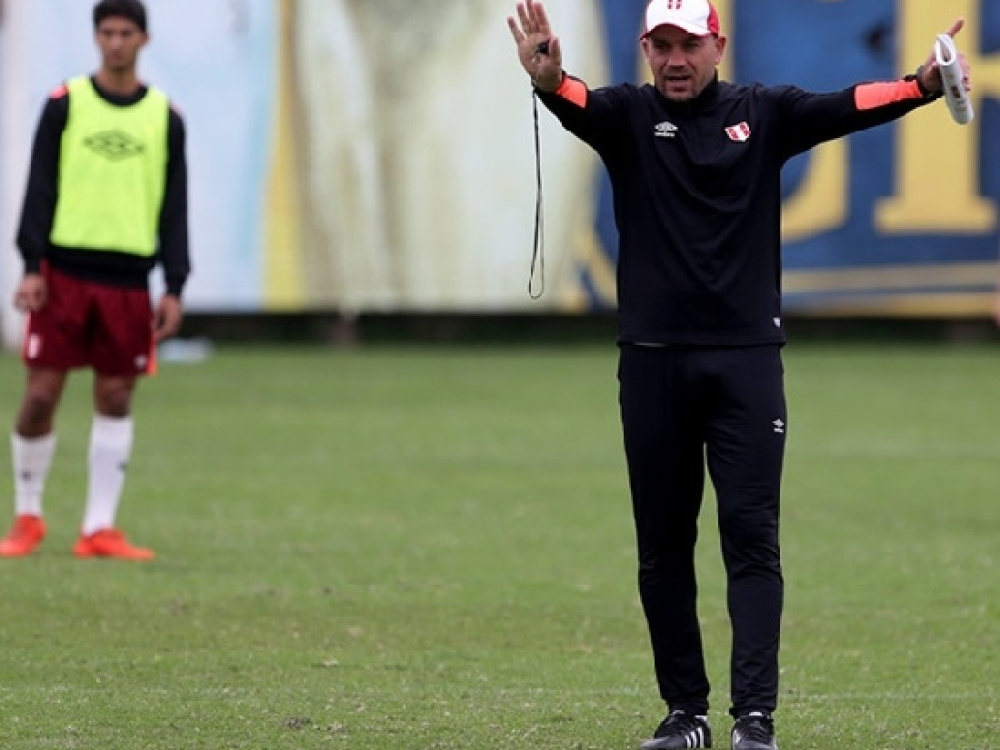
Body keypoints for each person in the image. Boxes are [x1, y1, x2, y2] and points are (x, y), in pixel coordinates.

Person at [507, 2, 971, 749]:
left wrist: (919, 85)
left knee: (752, 543)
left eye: (689, 44)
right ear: (645, 48)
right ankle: (684, 714)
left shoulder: (763, 113)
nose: (676, 59)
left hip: (746, 364)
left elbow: (846, 105)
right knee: (663, 547)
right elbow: (575, 99)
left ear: (717, 45)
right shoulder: (628, 118)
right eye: (662, 45)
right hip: (653, 364)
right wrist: (548, 78)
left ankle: (755, 720)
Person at [0, 0, 190, 561]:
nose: (116, 42)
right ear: (95, 38)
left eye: (126, 33)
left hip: (128, 279)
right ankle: (27, 516)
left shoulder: (164, 117)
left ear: (143, 39)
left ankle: (99, 527)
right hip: (64, 274)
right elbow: (40, 188)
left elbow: (174, 207)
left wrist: (174, 284)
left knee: (115, 394)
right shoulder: (66, 104)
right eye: (107, 32)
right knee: (40, 395)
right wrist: (31, 266)